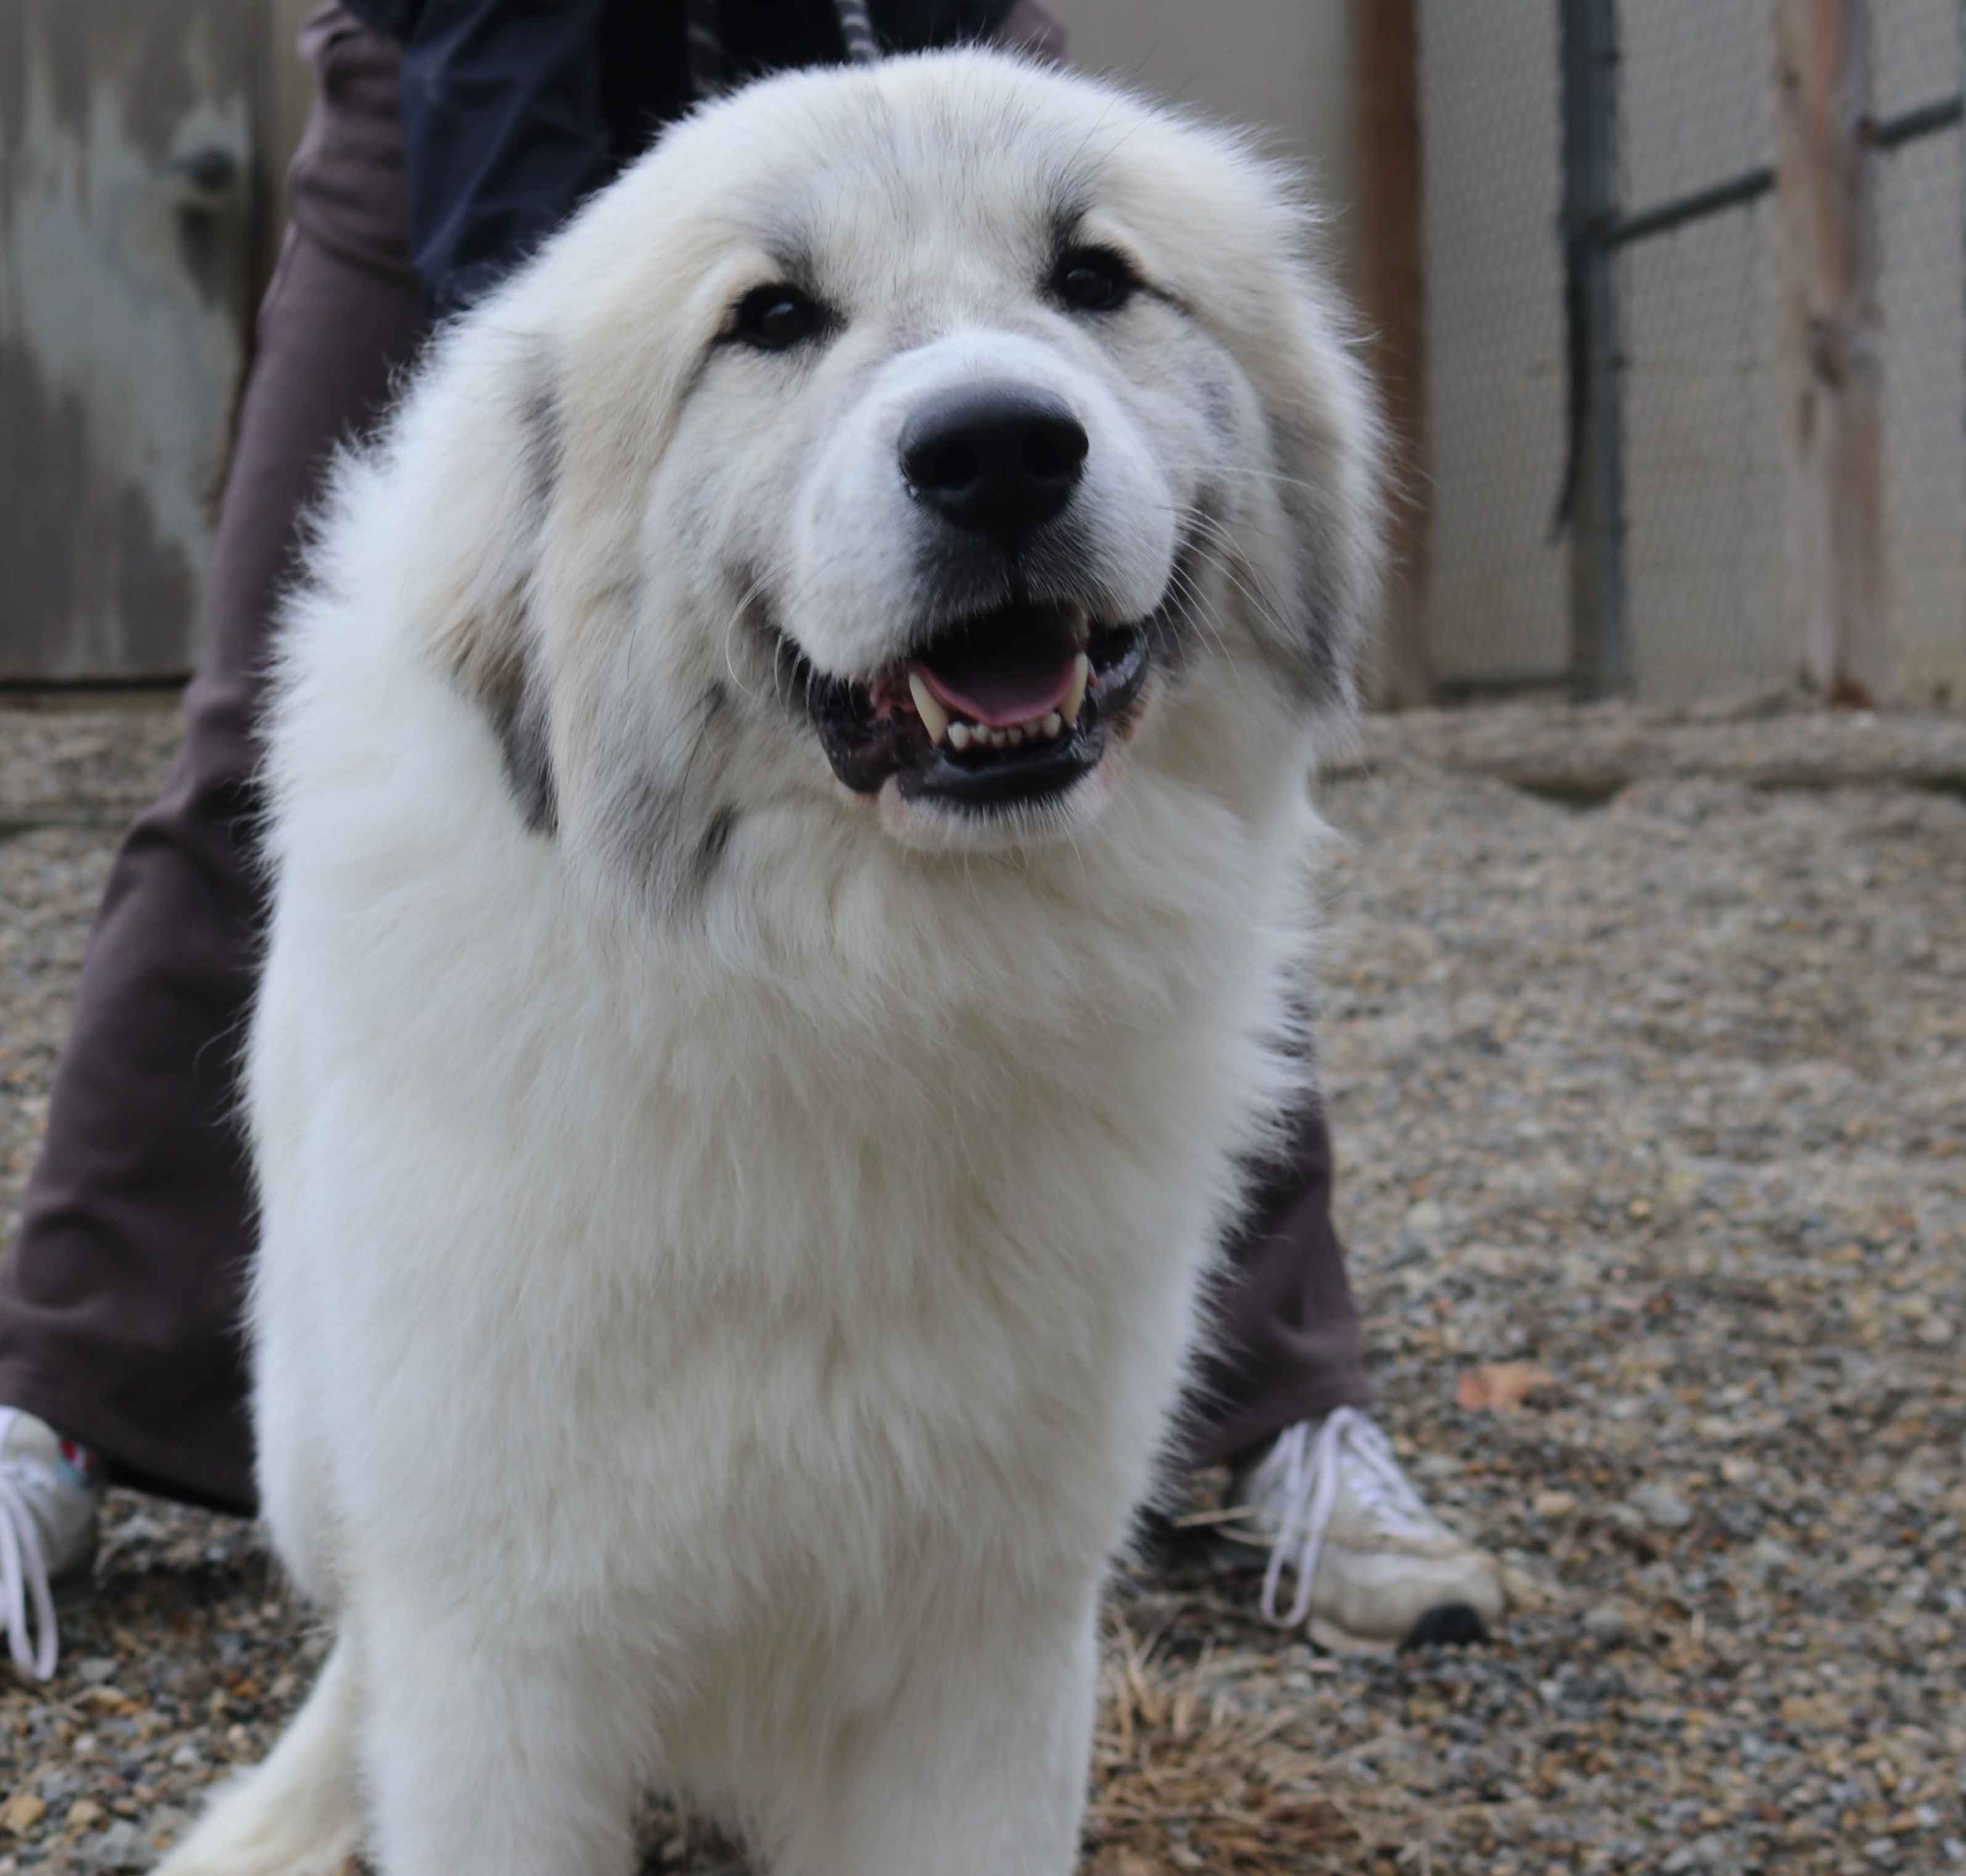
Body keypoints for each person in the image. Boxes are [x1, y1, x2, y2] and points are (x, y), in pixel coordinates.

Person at [0, 0, 1504, 1682]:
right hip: (469, 58)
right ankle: (61, 1396)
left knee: (1158, 750)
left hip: (930, 78)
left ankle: (1284, 1407)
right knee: (286, 724)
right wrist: (552, 389)